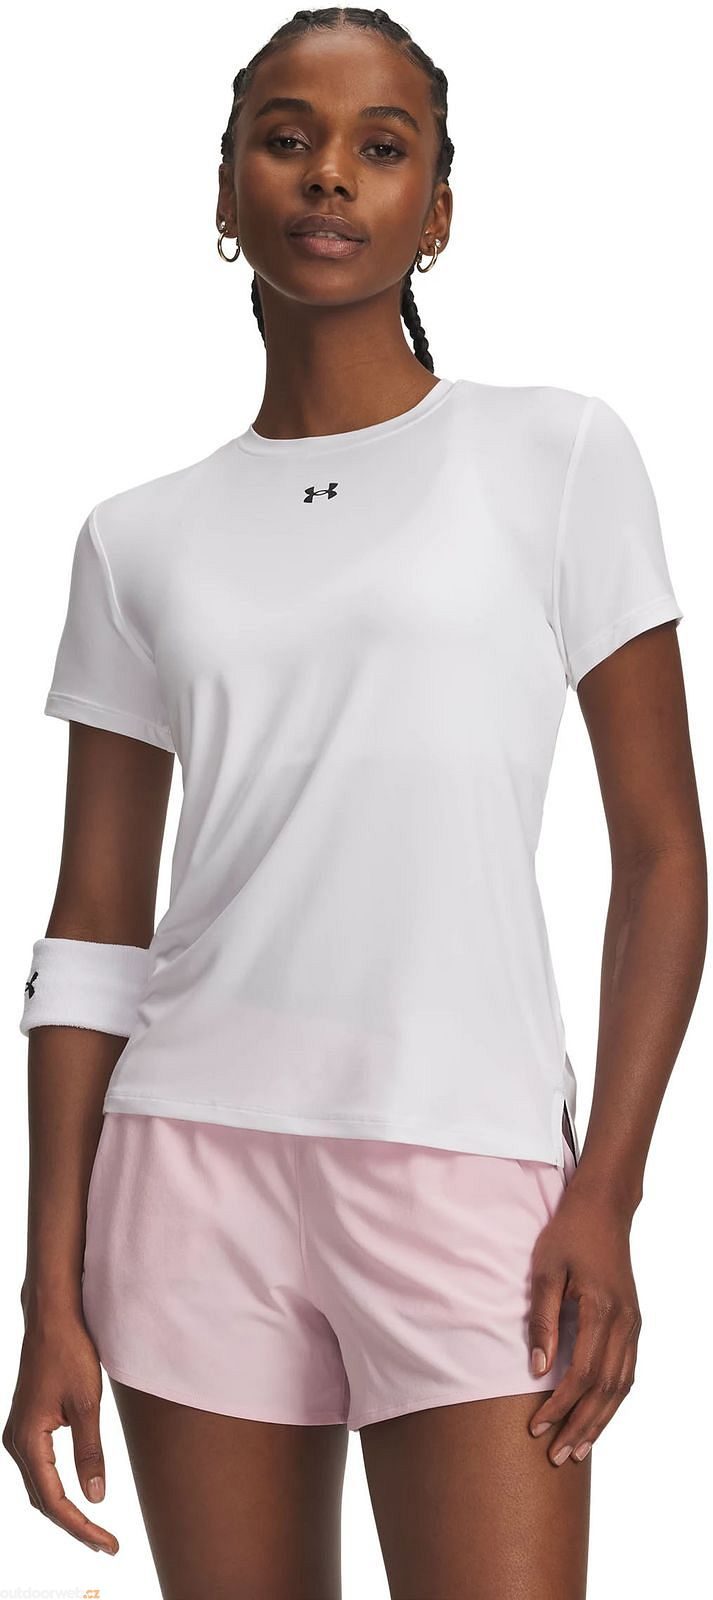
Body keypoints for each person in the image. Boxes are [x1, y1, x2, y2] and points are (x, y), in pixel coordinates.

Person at [4, 10, 706, 1599]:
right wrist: (49, 1283)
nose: (329, 174)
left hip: (467, 1169)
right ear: (226, 191)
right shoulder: (135, 538)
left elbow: (662, 853)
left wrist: (607, 1187)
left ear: (434, 212)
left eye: (382, 147)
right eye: (287, 137)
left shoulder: (556, 454)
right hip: (183, 1172)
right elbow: (94, 927)